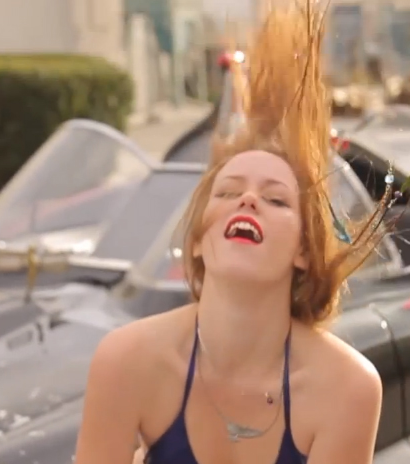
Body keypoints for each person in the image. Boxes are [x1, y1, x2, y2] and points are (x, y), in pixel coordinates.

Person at [75, 2, 391, 463]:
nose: (248, 201)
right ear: (197, 242)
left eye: (276, 200)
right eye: (227, 192)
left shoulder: (347, 387)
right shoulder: (127, 360)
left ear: (303, 251)